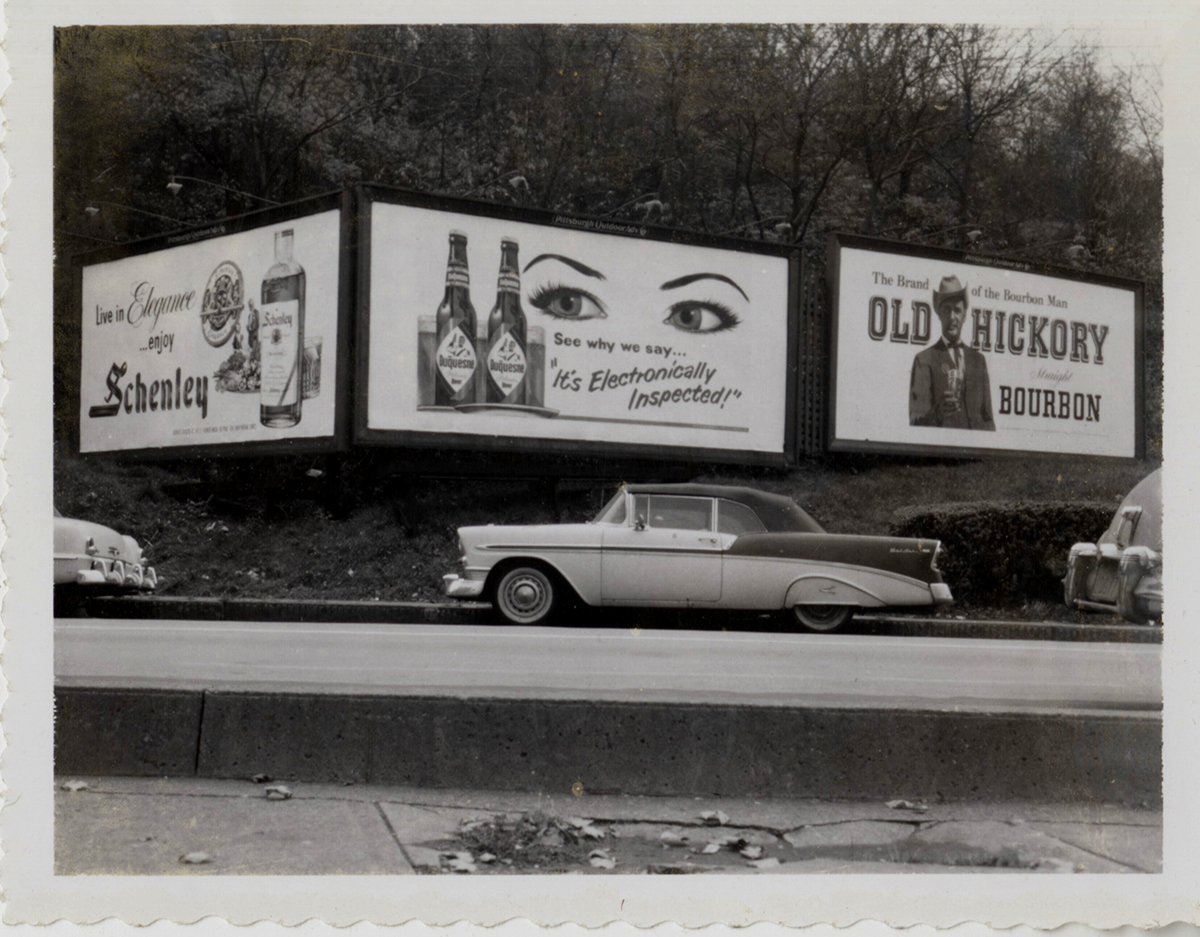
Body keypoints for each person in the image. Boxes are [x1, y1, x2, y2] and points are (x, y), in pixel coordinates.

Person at [909, 275, 995, 430]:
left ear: (964, 316)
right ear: (939, 314)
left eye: (957, 310)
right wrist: (938, 411)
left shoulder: (979, 360)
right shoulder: (924, 360)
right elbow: (916, 422)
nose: (952, 317)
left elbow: (988, 419)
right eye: (946, 310)